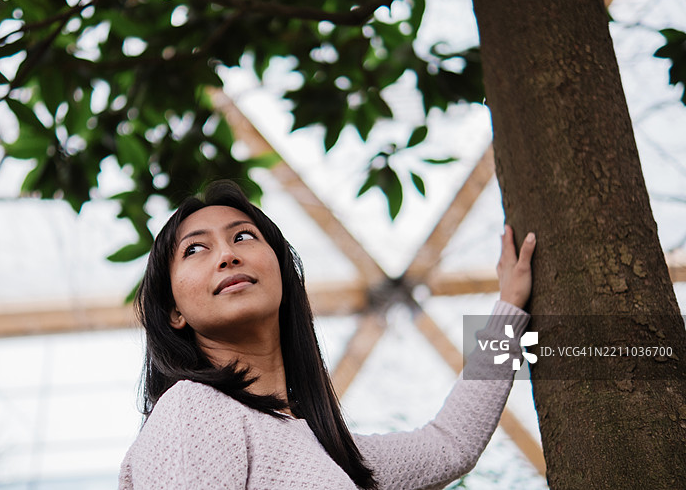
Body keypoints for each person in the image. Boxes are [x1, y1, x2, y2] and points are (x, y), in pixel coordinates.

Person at [119, 180, 536, 489]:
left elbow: (451, 445)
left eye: (243, 236)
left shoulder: (331, 450)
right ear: (174, 311)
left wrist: (509, 309)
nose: (228, 254)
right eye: (195, 249)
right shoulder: (194, 408)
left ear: (281, 271)